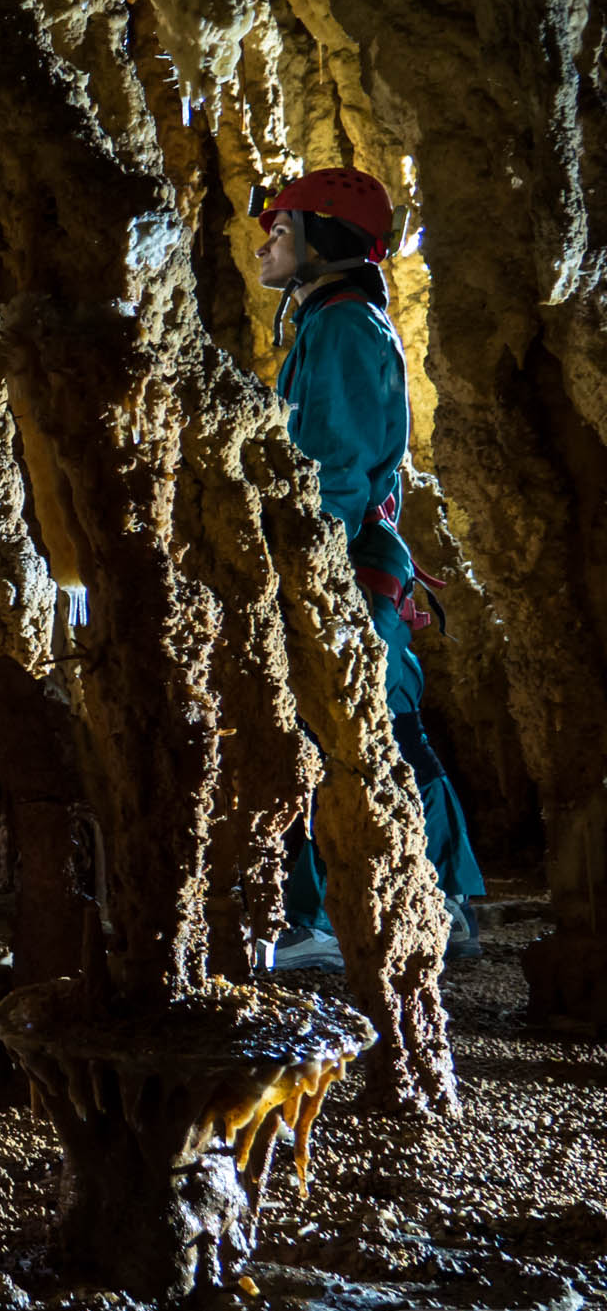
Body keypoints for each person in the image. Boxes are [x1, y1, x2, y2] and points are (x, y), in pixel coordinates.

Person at [251, 169, 483, 969]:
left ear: (328, 240)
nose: (266, 242)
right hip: (348, 562)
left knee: (372, 734)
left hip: (347, 566)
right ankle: (331, 908)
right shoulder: (328, 323)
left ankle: (434, 901)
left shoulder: (347, 328)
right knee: (354, 732)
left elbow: (337, 468)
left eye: (282, 229)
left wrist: (306, 565)